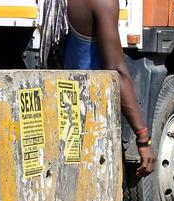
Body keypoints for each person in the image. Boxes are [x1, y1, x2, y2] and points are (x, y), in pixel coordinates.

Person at [49, 0, 155, 176]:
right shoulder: (103, 2)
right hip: (90, 121)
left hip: (64, 112)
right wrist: (143, 138)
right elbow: (116, 72)